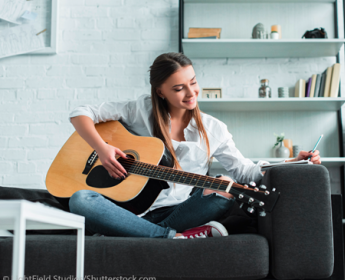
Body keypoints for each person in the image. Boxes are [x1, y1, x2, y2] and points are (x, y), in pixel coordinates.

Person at [67, 52, 321, 239]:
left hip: (181, 211)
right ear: (160, 92)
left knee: (223, 188)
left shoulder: (213, 129)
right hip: (127, 209)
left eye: (193, 82)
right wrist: (102, 148)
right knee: (80, 200)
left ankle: (143, 233)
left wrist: (293, 163)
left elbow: (246, 173)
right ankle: (172, 238)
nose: (191, 94)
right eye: (179, 88)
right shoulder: (138, 111)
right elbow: (81, 112)